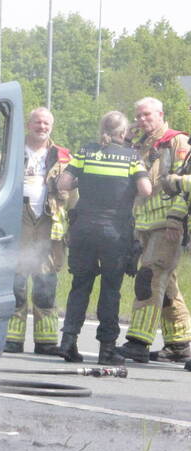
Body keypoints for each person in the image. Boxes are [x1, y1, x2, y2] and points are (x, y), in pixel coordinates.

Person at [57, 112, 151, 365]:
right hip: (115, 232)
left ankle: (68, 341)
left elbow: (63, 183)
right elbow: (146, 189)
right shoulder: (132, 157)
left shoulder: (86, 151)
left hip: (84, 228)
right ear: (123, 133)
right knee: (111, 289)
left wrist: (82, 179)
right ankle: (106, 350)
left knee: (80, 285)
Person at [118, 97, 191, 363]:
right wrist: (126, 144)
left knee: (149, 277)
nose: (141, 120)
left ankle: (138, 341)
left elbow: (184, 185)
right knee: (167, 284)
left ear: (161, 114)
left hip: (167, 225)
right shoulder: (139, 144)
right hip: (144, 224)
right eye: (137, 116)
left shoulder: (177, 141)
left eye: (147, 115)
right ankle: (180, 343)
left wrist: (175, 220)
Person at [5, 107, 75, 354]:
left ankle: (46, 341)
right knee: (17, 280)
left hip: (48, 220)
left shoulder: (63, 156)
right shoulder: (11, 151)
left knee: (46, 281)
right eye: (37, 122)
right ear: (29, 124)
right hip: (19, 219)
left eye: (46, 123)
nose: (41, 127)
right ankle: (12, 339)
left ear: (52, 127)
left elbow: (74, 196)